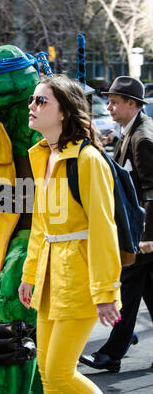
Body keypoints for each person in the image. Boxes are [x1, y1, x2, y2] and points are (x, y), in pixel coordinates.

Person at [18, 74, 122, 394]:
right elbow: (40, 227)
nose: (32, 106)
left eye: (41, 101)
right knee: (48, 373)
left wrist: (106, 291)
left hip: (80, 282)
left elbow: (104, 230)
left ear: (63, 112)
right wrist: (29, 275)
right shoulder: (43, 157)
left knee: (61, 372)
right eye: (32, 100)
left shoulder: (88, 160)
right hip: (49, 280)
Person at [80, 76, 153, 373]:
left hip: (144, 232)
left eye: (114, 102)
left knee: (128, 288)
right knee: (144, 289)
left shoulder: (142, 138)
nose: (108, 107)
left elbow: (151, 189)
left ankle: (112, 353)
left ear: (132, 104)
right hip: (138, 228)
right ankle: (120, 342)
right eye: (108, 101)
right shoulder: (128, 131)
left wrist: (148, 236)